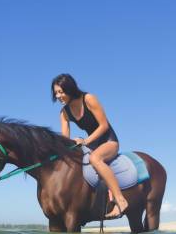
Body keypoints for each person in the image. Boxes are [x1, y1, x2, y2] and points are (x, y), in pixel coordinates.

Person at [51, 73, 128, 219]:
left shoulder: (89, 99)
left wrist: (85, 141)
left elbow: (104, 126)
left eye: (61, 92)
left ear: (70, 88)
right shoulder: (64, 113)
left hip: (109, 141)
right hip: (91, 143)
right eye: (55, 93)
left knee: (95, 159)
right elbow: (64, 138)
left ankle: (121, 201)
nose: (58, 96)